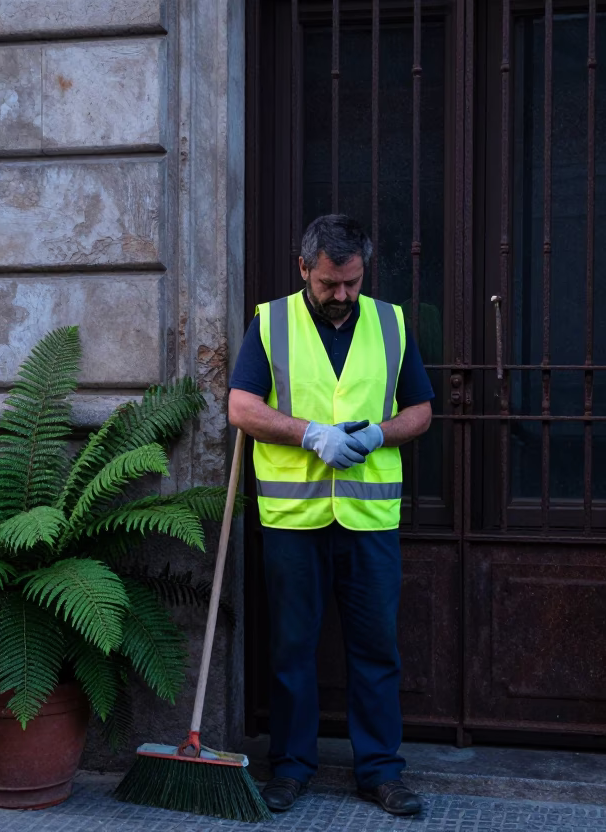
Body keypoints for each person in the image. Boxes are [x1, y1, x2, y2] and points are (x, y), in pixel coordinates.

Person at [228, 214, 434, 816]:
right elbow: (242, 406)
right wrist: (309, 434)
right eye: (328, 284)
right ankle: (291, 768)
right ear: (304, 270)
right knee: (292, 649)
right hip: (294, 521)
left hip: (370, 524)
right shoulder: (271, 322)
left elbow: (419, 411)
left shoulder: (391, 322)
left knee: (376, 650)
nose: (341, 295)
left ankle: (380, 771)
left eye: (351, 282)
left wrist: (378, 434)